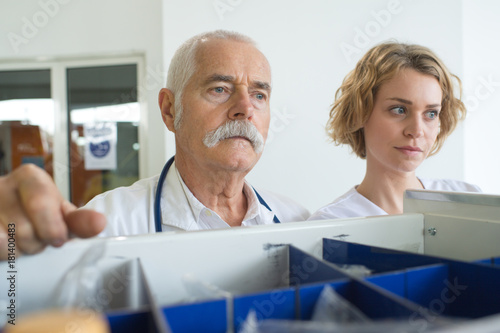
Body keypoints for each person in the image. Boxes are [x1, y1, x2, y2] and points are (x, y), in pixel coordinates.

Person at [0, 30, 310, 260]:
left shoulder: (297, 220)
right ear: (170, 110)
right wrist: (14, 248)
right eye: (220, 89)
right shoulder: (106, 225)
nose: (245, 108)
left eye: (259, 95)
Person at [309, 42, 480, 221]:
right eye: (399, 110)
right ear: (359, 113)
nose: (416, 131)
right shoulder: (330, 223)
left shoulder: (470, 202)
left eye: (431, 114)